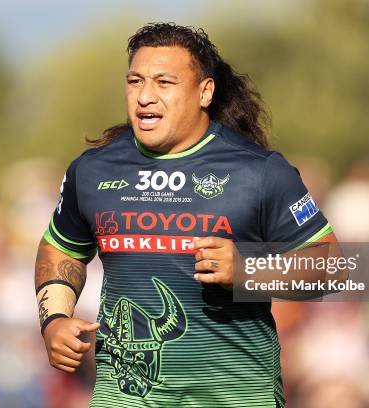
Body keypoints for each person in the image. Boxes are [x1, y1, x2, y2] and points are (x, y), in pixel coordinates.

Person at [34, 23, 336, 408]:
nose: (144, 96)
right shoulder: (93, 170)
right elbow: (60, 249)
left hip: (235, 396)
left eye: (164, 82)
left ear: (204, 92)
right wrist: (54, 319)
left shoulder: (261, 172)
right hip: (125, 396)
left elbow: (332, 266)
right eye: (135, 81)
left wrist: (247, 272)